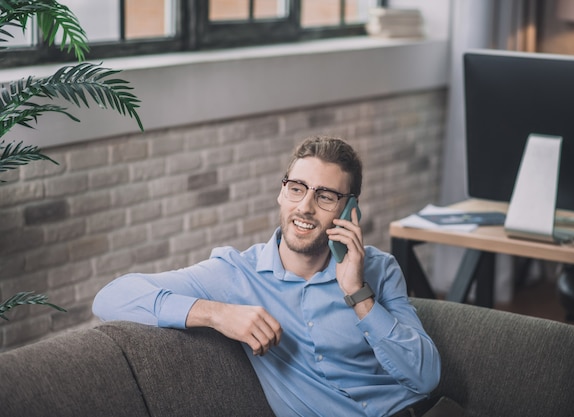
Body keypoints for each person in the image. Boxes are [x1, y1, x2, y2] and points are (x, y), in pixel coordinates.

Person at [92, 135, 441, 417]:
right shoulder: (235, 274)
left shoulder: (379, 269)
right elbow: (111, 296)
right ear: (281, 192)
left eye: (325, 196)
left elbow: (425, 378)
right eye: (297, 188)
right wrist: (218, 313)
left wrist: (358, 293)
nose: (304, 206)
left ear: (350, 210)